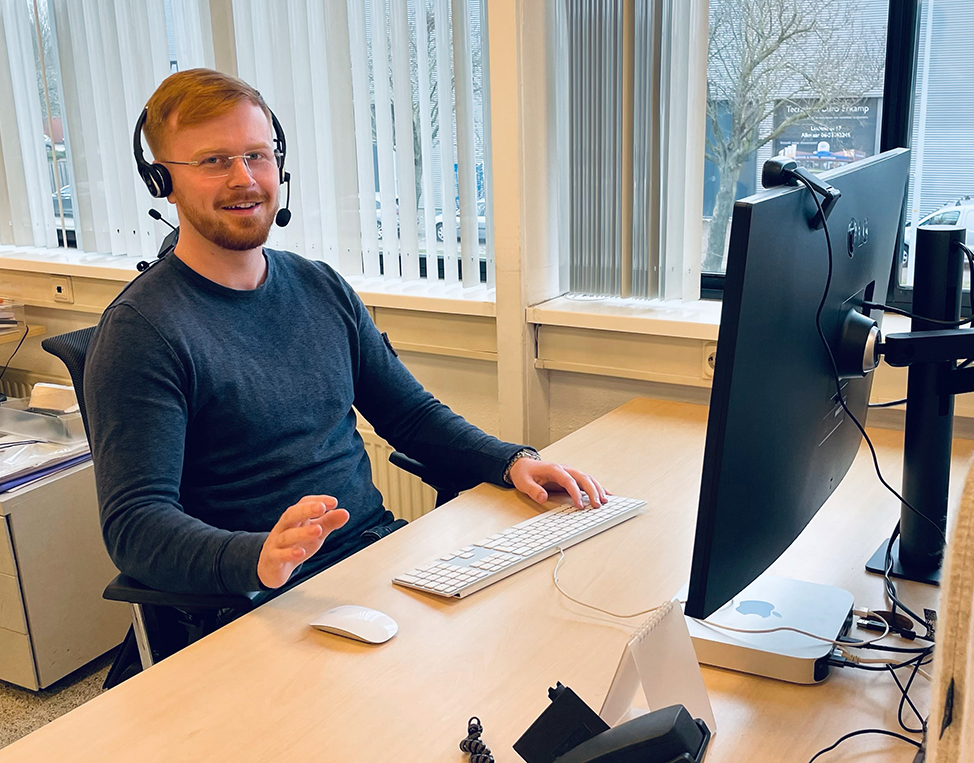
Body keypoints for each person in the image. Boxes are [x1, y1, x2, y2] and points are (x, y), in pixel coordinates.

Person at [84, 68, 606, 600]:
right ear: (162, 182)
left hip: (378, 560)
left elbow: (410, 416)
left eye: (257, 155)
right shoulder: (141, 332)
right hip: (265, 601)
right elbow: (135, 524)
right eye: (214, 161)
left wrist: (513, 462)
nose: (244, 178)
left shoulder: (320, 286)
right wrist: (257, 557)